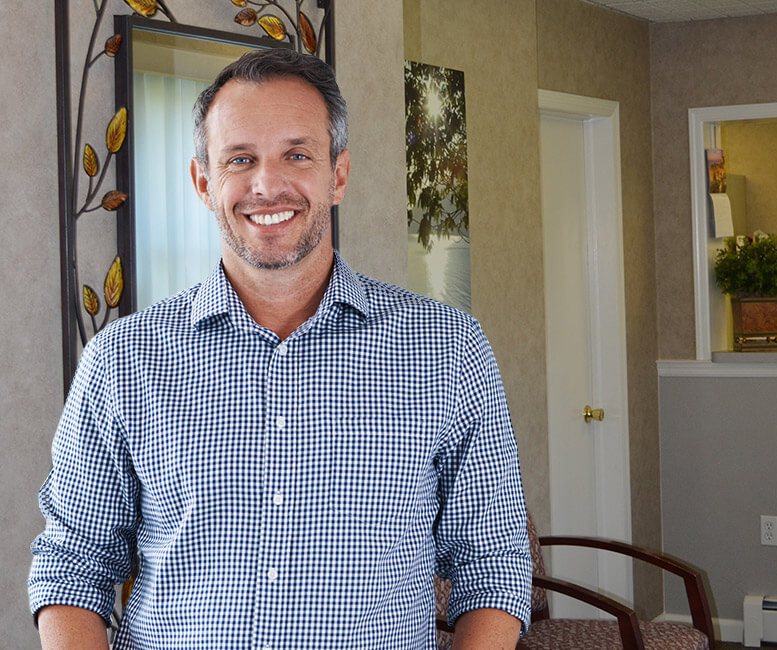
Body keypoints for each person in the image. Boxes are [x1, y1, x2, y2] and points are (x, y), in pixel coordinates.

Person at [29, 48, 531, 649]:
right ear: (203, 182)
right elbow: (71, 566)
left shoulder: (447, 349)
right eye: (240, 159)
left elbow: (494, 568)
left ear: (337, 175)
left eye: (297, 154)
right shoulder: (123, 358)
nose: (267, 186)